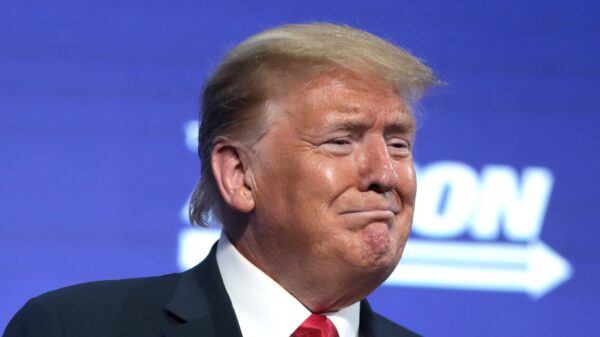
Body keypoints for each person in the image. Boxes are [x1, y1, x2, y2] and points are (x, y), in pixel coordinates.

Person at [4, 23, 436, 337]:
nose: (386, 173)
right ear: (239, 175)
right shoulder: (76, 328)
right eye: (341, 141)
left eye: (399, 144)